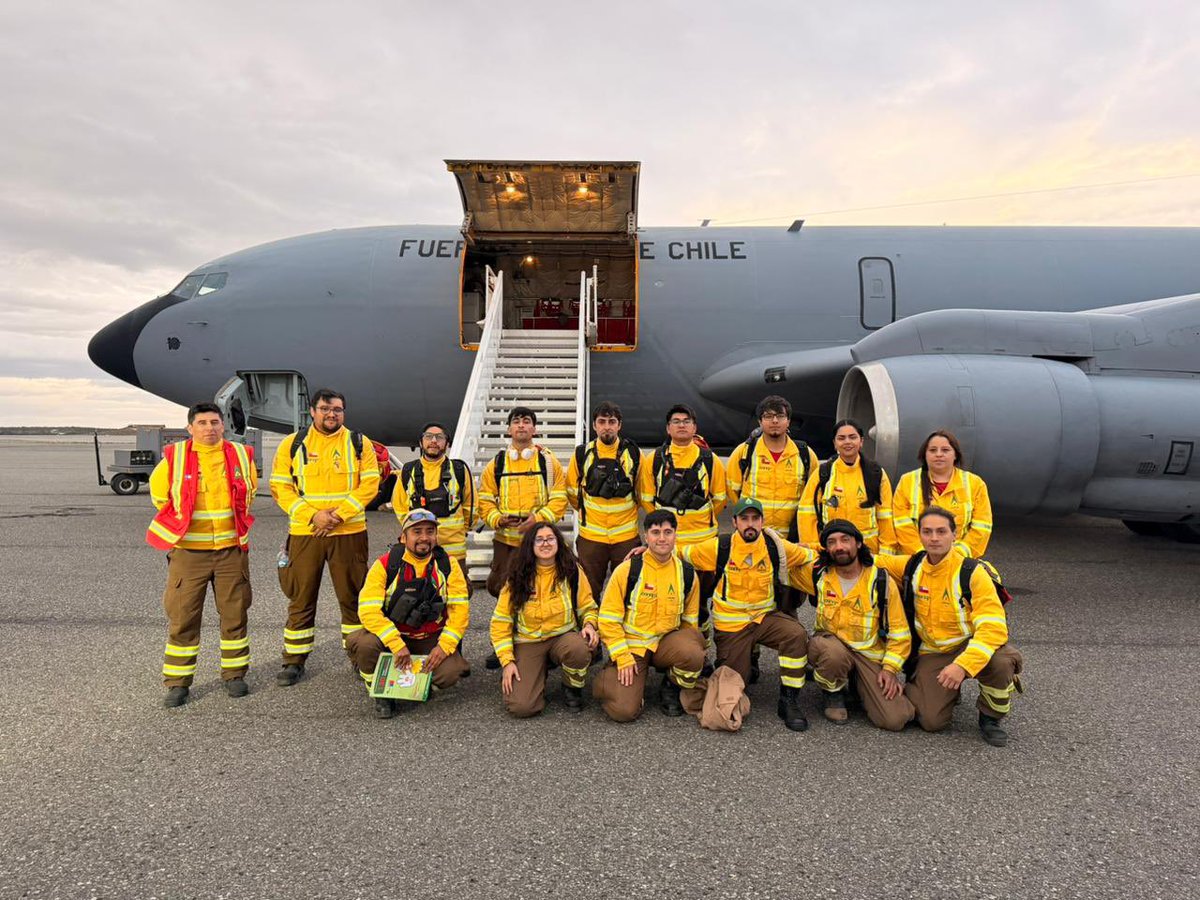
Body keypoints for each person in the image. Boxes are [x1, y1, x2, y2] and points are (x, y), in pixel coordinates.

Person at [876, 506, 1023, 746]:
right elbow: (867, 559)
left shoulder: (972, 572)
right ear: (920, 535)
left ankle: (990, 717)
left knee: (1001, 661)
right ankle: (948, 694)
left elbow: (993, 627)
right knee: (930, 722)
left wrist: (963, 666)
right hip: (933, 651)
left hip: (969, 646)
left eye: (941, 531)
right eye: (927, 531)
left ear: (954, 535)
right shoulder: (912, 567)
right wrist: (812, 550)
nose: (934, 538)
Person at [148, 402, 256, 707]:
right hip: (189, 552)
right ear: (190, 428)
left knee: (235, 615)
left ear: (223, 426)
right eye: (203, 423)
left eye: (215, 422)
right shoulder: (174, 457)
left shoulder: (241, 455)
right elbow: (160, 496)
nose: (209, 428)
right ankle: (178, 683)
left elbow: (247, 493)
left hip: (230, 551)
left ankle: (234, 675)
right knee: (183, 617)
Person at [269, 389, 380, 686]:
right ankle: (293, 660)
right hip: (306, 532)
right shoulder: (292, 444)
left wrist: (338, 515)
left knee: (353, 598)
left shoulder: (359, 443)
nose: (332, 414)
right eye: (325, 409)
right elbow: (280, 487)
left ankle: (358, 656)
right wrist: (313, 516)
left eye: (338, 410)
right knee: (301, 597)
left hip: (349, 532)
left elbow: (370, 484)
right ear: (312, 411)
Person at [677, 498, 817, 731]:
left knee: (796, 634)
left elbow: (810, 557)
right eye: (744, 519)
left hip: (764, 619)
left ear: (762, 522)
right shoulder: (719, 547)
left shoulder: (776, 547)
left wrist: (827, 549)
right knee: (730, 685)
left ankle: (789, 700)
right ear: (734, 522)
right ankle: (745, 664)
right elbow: (681, 553)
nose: (750, 524)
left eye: (755, 519)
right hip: (733, 628)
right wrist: (646, 551)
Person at [785, 519, 915, 730]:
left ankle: (857, 684)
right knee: (831, 652)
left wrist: (890, 669)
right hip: (831, 647)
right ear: (826, 548)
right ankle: (832, 692)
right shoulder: (819, 574)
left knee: (896, 719)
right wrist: (804, 547)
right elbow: (781, 562)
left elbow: (900, 632)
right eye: (832, 542)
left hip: (868, 655)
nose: (839, 547)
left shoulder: (880, 580)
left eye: (845, 540)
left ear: (858, 544)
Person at [346, 509, 470, 719]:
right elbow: (368, 610)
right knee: (366, 646)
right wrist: (396, 643)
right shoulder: (385, 565)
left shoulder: (448, 565)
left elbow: (460, 612)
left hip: (428, 639)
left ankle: (419, 683)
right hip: (394, 638)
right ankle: (378, 690)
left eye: (430, 532)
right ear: (403, 537)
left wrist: (443, 647)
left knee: (451, 672)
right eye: (417, 531)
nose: (424, 537)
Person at [592, 510, 705, 722]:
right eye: (655, 532)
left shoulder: (687, 573)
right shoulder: (627, 570)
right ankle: (607, 680)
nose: (662, 538)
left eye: (667, 532)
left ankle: (671, 686)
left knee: (694, 651)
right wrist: (622, 656)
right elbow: (607, 619)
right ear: (646, 536)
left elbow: (690, 623)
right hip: (634, 647)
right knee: (624, 711)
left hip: (665, 643)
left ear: (675, 535)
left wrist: (688, 654)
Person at [490, 523, 599, 717]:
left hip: (563, 638)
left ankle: (571, 687)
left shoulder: (571, 570)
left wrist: (590, 625)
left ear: (558, 542)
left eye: (550, 538)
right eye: (539, 540)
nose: (545, 544)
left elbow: (587, 606)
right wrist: (507, 661)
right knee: (522, 707)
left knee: (579, 648)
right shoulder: (517, 576)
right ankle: (533, 673)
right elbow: (501, 621)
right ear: (530, 546)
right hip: (528, 642)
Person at [727, 395, 820, 618]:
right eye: (768, 416)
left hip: (790, 541)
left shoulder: (805, 455)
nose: (774, 421)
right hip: (754, 538)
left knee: (789, 598)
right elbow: (734, 491)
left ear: (788, 421)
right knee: (751, 593)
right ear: (760, 422)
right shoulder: (744, 453)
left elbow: (813, 497)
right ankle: (753, 649)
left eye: (780, 416)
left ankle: (790, 640)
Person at [638, 404, 727, 625]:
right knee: (668, 594)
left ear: (694, 427)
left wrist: (695, 518)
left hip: (702, 543)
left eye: (686, 421)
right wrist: (666, 527)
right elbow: (646, 499)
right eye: (676, 421)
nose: (681, 425)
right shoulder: (655, 459)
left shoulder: (710, 460)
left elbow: (720, 499)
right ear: (668, 428)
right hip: (666, 543)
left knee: (701, 599)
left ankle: (701, 648)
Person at [566, 401, 642, 601]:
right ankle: (590, 627)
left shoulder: (633, 454)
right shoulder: (582, 454)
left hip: (626, 537)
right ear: (594, 426)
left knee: (627, 588)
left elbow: (643, 492)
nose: (607, 426)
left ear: (619, 425)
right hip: (591, 537)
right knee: (588, 590)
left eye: (612, 421)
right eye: (602, 422)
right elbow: (573, 494)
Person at [797, 418, 896, 553]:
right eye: (841, 438)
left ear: (861, 442)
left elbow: (886, 518)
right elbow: (807, 515)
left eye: (852, 437)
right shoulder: (823, 474)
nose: (847, 442)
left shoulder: (876, 474)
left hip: (868, 555)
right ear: (834, 444)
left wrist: (885, 556)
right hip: (834, 553)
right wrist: (814, 551)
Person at [892, 430, 993, 557]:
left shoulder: (975, 484)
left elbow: (982, 527)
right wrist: (924, 555)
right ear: (925, 454)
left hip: (959, 561)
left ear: (955, 454)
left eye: (945, 450)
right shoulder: (907, 481)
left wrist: (956, 555)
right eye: (933, 450)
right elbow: (901, 525)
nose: (939, 454)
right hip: (917, 560)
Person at [391, 422, 475, 563]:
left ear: (447, 444)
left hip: (454, 552)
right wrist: (415, 532)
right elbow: (399, 507)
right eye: (429, 436)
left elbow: (471, 507)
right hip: (419, 550)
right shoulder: (408, 471)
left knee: (457, 585)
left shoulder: (460, 470)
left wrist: (458, 532)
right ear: (421, 442)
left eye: (439, 437)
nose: (434, 441)